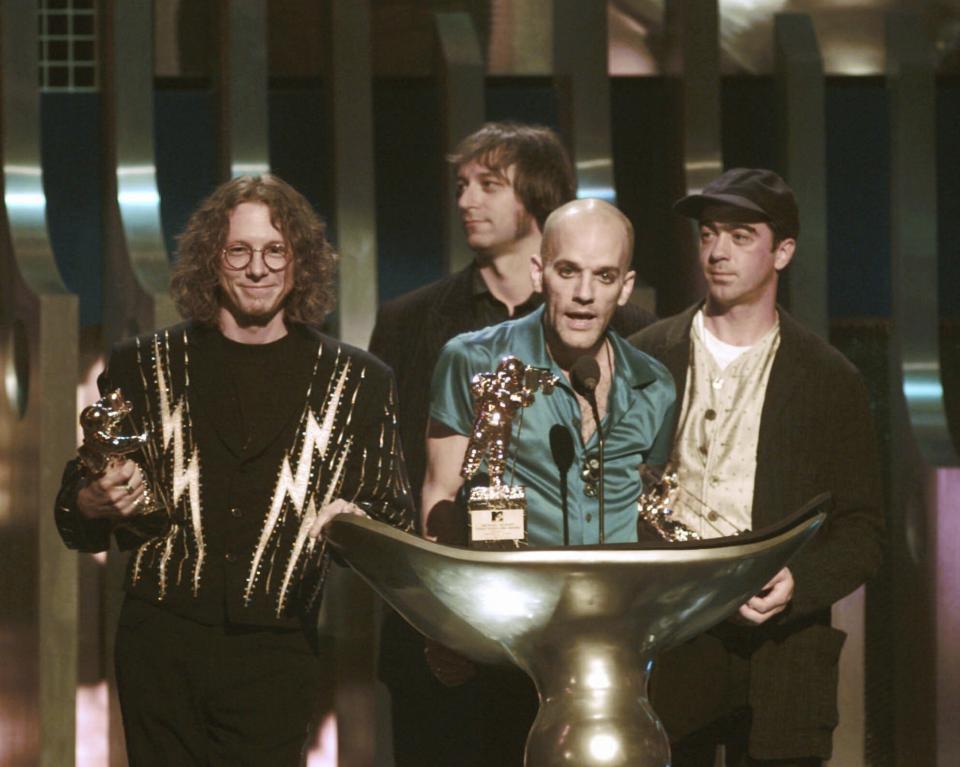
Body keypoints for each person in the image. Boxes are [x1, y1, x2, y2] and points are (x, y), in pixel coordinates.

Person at [53, 174, 414, 766]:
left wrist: (356, 523)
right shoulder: (143, 363)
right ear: (210, 262)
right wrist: (93, 502)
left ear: (300, 263)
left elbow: (390, 515)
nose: (257, 268)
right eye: (239, 251)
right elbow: (77, 504)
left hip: (277, 648)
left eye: (275, 251)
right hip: (158, 644)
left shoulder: (358, 380)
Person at [368, 122, 656, 766]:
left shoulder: (636, 333)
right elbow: (396, 478)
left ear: (538, 199)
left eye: (489, 185)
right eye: (463, 185)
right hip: (447, 649)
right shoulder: (411, 324)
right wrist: (438, 621)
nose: (467, 200)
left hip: (581, 645)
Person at [629, 168, 884, 766]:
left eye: (741, 236)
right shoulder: (645, 358)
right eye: (709, 234)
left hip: (782, 652)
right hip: (669, 642)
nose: (717, 251)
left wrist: (797, 581)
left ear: (784, 251)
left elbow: (863, 531)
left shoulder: (829, 378)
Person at [421, 198, 676, 763]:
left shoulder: (653, 384)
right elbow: (439, 494)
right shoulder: (473, 361)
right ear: (540, 273)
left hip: (617, 659)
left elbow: (654, 506)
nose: (585, 293)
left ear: (625, 287)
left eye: (604, 276)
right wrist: (446, 628)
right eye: (569, 271)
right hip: (510, 649)